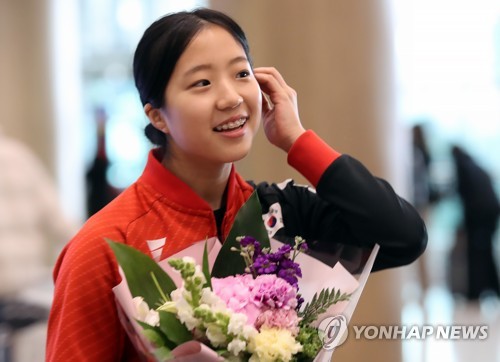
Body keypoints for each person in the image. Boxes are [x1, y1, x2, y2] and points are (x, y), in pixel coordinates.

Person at [46, 8, 427, 361]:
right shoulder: (103, 247)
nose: (231, 97)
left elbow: (403, 237)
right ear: (157, 115)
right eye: (202, 83)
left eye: (241, 74)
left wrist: (298, 141)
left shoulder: (279, 214)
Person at [451, 145, 500, 301]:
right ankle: (489, 288)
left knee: (477, 254)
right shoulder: (474, 166)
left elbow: (468, 199)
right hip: (489, 216)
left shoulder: (464, 169)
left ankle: (476, 291)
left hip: (481, 218)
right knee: (484, 253)